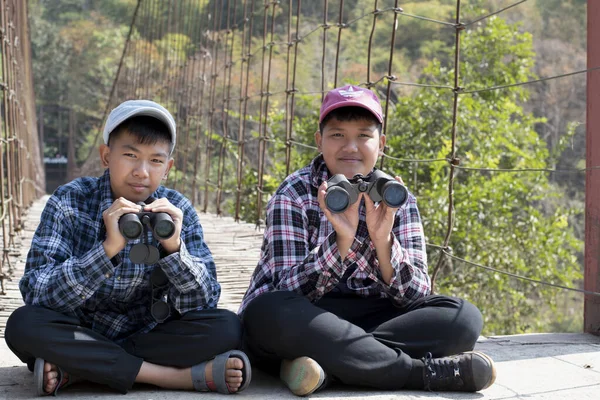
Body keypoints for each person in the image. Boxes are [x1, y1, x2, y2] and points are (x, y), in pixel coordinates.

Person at [239, 85, 496, 396]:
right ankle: (418, 374)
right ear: (319, 141)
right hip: (307, 315)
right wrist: (341, 242)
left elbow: (415, 296)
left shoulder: (396, 197)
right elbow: (287, 292)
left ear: (381, 144)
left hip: (372, 316)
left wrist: (383, 240)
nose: (351, 147)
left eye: (363, 135)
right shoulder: (293, 194)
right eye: (337, 135)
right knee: (267, 312)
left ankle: (330, 367)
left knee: (463, 318)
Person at [5, 100, 251, 396]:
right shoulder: (70, 201)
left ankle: (78, 368)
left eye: (156, 161)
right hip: (81, 327)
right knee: (23, 324)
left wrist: (174, 249)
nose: (142, 172)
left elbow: (204, 302)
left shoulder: (178, 209)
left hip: (146, 335)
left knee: (227, 327)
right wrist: (107, 249)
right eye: (130, 155)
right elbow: (36, 291)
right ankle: (172, 377)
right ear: (106, 155)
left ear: (168, 168)